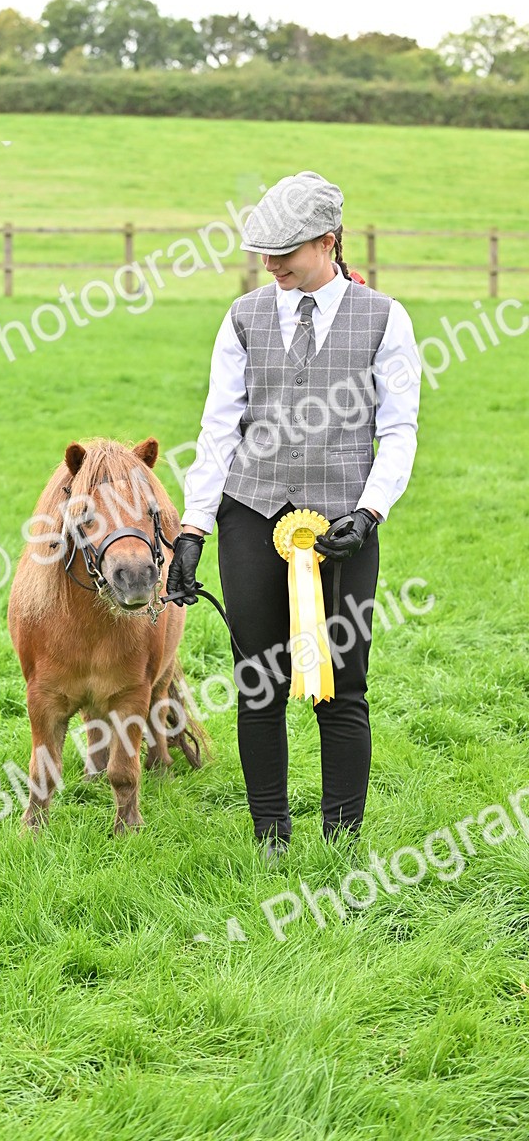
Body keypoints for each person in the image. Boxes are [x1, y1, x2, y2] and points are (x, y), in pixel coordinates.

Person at [166, 170, 421, 864]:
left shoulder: (385, 319)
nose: (271, 264)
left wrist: (370, 511)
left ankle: (341, 846)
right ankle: (270, 840)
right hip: (251, 516)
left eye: (286, 252)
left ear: (328, 242)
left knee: (342, 687)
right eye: (265, 252)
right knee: (259, 685)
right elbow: (219, 427)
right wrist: (194, 528)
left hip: (344, 528)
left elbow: (399, 429)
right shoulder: (243, 316)